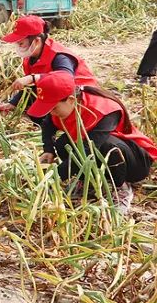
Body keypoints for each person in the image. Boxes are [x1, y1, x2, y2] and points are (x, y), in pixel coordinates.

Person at [27, 71, 154, 214]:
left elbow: (87, 150)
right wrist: (48, 149)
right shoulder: (64, 106)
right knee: (63, 144)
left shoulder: (103, 110)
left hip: (134, 162)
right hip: (98, 149)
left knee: (106, 146)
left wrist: (53, 178)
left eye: (54, 108)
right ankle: (88, 181)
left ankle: (121, 188)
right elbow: (48, 125)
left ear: (71, 100)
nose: (51, 113)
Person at [0, 15, 97, 115]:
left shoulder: (60, 57)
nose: (18, 48)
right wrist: (13, 103)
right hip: (55, 98)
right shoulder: (30, 58)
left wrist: (32, 78)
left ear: (37, 41)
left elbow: (65, 79)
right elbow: (33, 87)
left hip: (80, 102)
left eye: (21, 44)